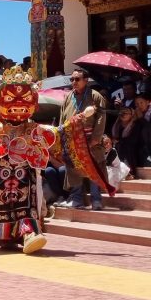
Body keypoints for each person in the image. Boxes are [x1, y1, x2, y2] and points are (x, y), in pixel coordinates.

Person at [0, 67, 97, 254]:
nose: (18, 104)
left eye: (24, 99)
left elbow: (58, 133)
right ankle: (5, 236)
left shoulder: (33, 129)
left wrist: (77, 120)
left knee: (27, 204)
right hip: (0, 174)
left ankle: (29, 232)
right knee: (2, 204)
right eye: (10, 99)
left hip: (26, 174)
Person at [58, 68, 113, 210]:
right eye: (72, 79)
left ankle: (96, 200)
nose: (74, 82)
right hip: (72, 140)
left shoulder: (95, 96)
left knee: (93, 169)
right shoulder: (68, 97)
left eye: (77, 79)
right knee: (74, 169)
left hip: (91, 140)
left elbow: (101, 117)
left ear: (86, 80)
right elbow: (63, 118)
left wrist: (96, 138)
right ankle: (77, 200)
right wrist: (62, 136)